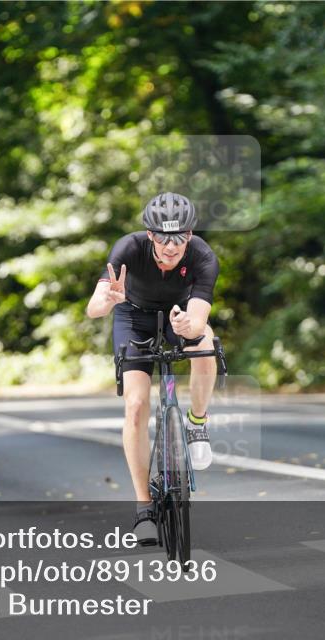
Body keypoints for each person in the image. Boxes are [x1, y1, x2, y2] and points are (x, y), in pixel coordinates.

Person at [85, 192, 220, 545]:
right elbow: (94, 307)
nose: (171, 246)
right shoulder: (127, 249)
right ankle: (144, 507)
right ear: (149, 234)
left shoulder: (203, 256)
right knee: (135, 406)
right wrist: (107, 300)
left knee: (206, 344)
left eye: (180, 237)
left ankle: (197, 423)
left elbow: (199, 318)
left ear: (190, 235)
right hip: (133, 318)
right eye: (162, 237)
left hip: (181, 316)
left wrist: (187, 326)